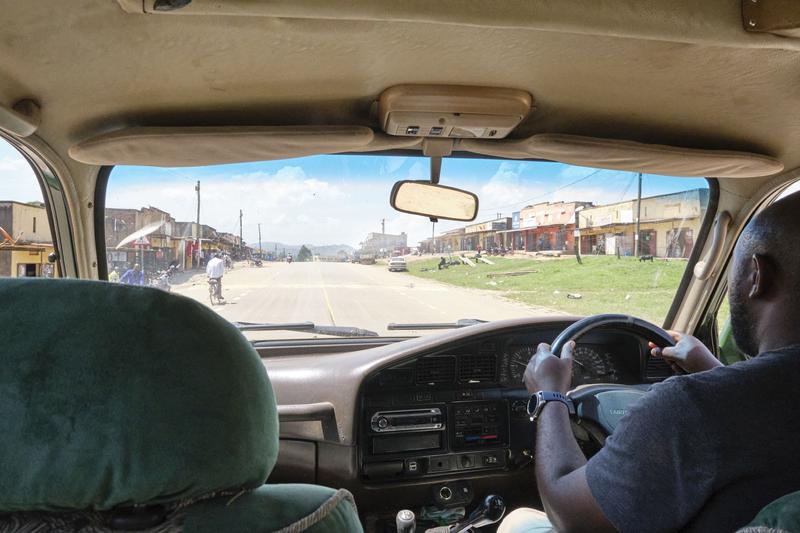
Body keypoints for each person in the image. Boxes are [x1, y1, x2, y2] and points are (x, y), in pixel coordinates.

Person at [500, 191, 800, 533]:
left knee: (519, 521)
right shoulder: (721, 405)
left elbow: (572, 517)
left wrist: (550, 395)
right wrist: (714, 371)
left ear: (757, 275)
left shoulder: (693, 408)